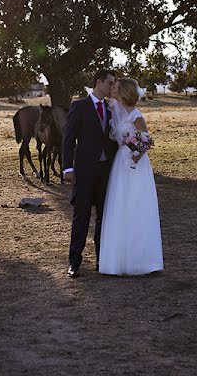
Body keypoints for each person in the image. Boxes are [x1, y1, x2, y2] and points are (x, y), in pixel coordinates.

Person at [98, 77, 163, 276]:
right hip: (119, 163)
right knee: (119, 206)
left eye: (116, 88)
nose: (112, 90)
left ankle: (142, 260)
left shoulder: (136, 115)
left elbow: (147, 140)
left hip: (136, 163)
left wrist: (137, 155)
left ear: (123, 91)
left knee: (136, 205)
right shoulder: (113, 108)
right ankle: (116, 260)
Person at [61, 69, 118, 277]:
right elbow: (68, 139)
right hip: (84, 172)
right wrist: (68, 168)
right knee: (81, 217)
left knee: (104, 217)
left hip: (106, 172)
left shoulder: (112, 108)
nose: (113, 87)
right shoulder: (80, 106)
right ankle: (74, 262)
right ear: (99, 82)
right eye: (110, 83)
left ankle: (102, 260)